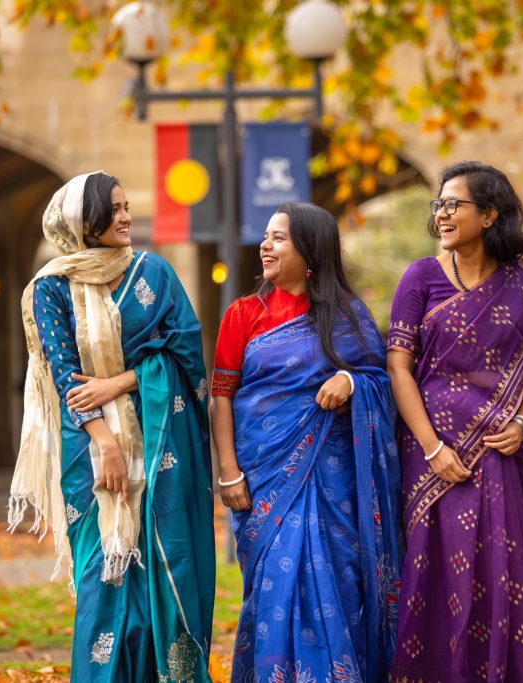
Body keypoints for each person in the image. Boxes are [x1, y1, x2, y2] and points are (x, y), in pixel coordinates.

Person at [8, 172, 215, 682]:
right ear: (85, 221)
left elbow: (184, 352)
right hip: (89, 447)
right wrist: (106, 445)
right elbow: (66, 378)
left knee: (168, 577)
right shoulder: (50, 289)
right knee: (104, 578)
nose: (126, 217)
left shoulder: (154, 272)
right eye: (115, 209)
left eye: (126, 207)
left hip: (163, 436)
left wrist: (118, 383)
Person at [388, 161, 523, 682]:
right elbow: (399, 368)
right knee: (432, 569)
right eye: (439, 205)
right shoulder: (420, 278)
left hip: (497, 451)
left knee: (501, 572)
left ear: (490, 213)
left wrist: (521, 423)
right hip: (430, 455)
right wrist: (432, 447)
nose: (443, 214)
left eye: (454, 204)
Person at [210, 202, 402, 683]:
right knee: (275, 589)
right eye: (266, 237)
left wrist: (351, 382)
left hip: (334, 485)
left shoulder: (347, 316)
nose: (265, 245)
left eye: (278, 238)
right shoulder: (243, 315)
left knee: (336, 584)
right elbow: (222, 399)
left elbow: (383, 384)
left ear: (310, 250)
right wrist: (229, 471)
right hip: (263, 480)